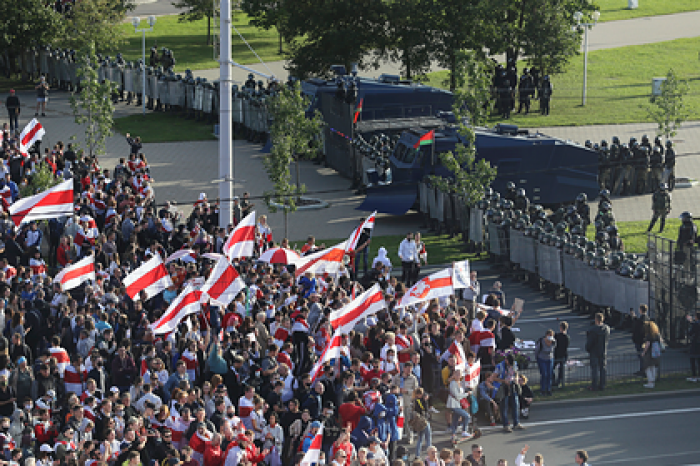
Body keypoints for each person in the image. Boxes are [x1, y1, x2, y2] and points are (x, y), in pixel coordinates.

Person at [445, 369, 473, 444]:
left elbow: (460, 393)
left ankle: (453, 434)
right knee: (467, 416)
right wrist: (467, 394)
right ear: (454, 375)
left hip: (458, 404)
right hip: (453, 404)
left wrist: (467, 392)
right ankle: (464, 431)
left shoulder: (459, 383)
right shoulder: (453, 383)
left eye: (459, 374)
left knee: (455, 419)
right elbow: (457, 395)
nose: (458, 375)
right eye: (456, 374)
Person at [586, 313, 610, 391]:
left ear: (596, 319)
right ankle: (602, 385)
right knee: (603, 368)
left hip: (594, 351)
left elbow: (590, 342)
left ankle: (594, 385)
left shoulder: (592, 330)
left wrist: (588, 348)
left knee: (594, 369)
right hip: (603, 350)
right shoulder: (607, 328)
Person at [534, 329, 556, 396]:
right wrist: (537, 358)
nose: (550, 337)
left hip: (550, 359)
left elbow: (553, 349)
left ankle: (549, 389)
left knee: (549, 374)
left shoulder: (553, 342)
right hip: (542, 359)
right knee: (544, 374)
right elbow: (536, 350)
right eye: (549, 335)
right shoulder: (541, 341)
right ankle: (542, 389)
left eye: (551, 336)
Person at [641, 321, 662, 388]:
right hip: (656, 353)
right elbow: (661, 341)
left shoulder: (649, 335)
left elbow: (647, 345)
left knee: (647, 368)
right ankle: (653, 381)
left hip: (650, 353)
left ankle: (650, 382)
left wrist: (644, 352)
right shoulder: (657, 334)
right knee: (653, 367)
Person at [412, 387, 431, 459]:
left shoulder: (414, 400)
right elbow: (425, 409)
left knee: (420, 439)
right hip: (423, 421)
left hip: (418, 422)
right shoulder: (420, 401)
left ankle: (417, 455)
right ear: (419, 394)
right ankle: (429, 454)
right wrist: (425, 401)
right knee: (428, 438)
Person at [632, 305, 649, 376]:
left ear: (641, 310)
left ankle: (643, 370)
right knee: (643, 355)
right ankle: (643, 369)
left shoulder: (642, 319)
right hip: (644, 339)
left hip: (640, 340)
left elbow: (638, 326)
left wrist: (634, 318)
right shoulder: (647, 318)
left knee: (641, 355)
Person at [552, 322, 569, 388]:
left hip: (556, 354)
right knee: (561, 370)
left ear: (560, 328)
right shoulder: (567, 337)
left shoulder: (557, 336)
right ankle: (560, 382)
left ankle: (553, 381)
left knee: (552, 368)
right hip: (563, 354)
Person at [688, 312, 700, 383]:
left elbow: (691, 332)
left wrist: (691, 322)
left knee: (692, 359)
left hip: (695, 343)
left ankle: (694, 376)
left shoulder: (695, 324)